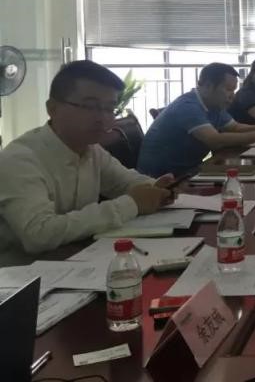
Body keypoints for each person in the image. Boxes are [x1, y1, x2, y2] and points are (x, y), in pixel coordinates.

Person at [0, 61, 174, 263]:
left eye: (110, 108)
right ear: (52, 109)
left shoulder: (91, 150)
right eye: (90, 106)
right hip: (25, 275)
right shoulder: (20, 159)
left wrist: (157, 188)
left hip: (80, 262)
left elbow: (125, 182)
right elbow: (39, 233)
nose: (102, 118)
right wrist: (132, 203)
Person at [137, 62, 255, 177]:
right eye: (228, 89)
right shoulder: (188, 106)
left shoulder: (214, 105)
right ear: (208, 86)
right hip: (163, 178)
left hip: (189, 170)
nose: (232, 95)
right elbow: (215, 140)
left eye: (234, 90)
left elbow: (235, 127)